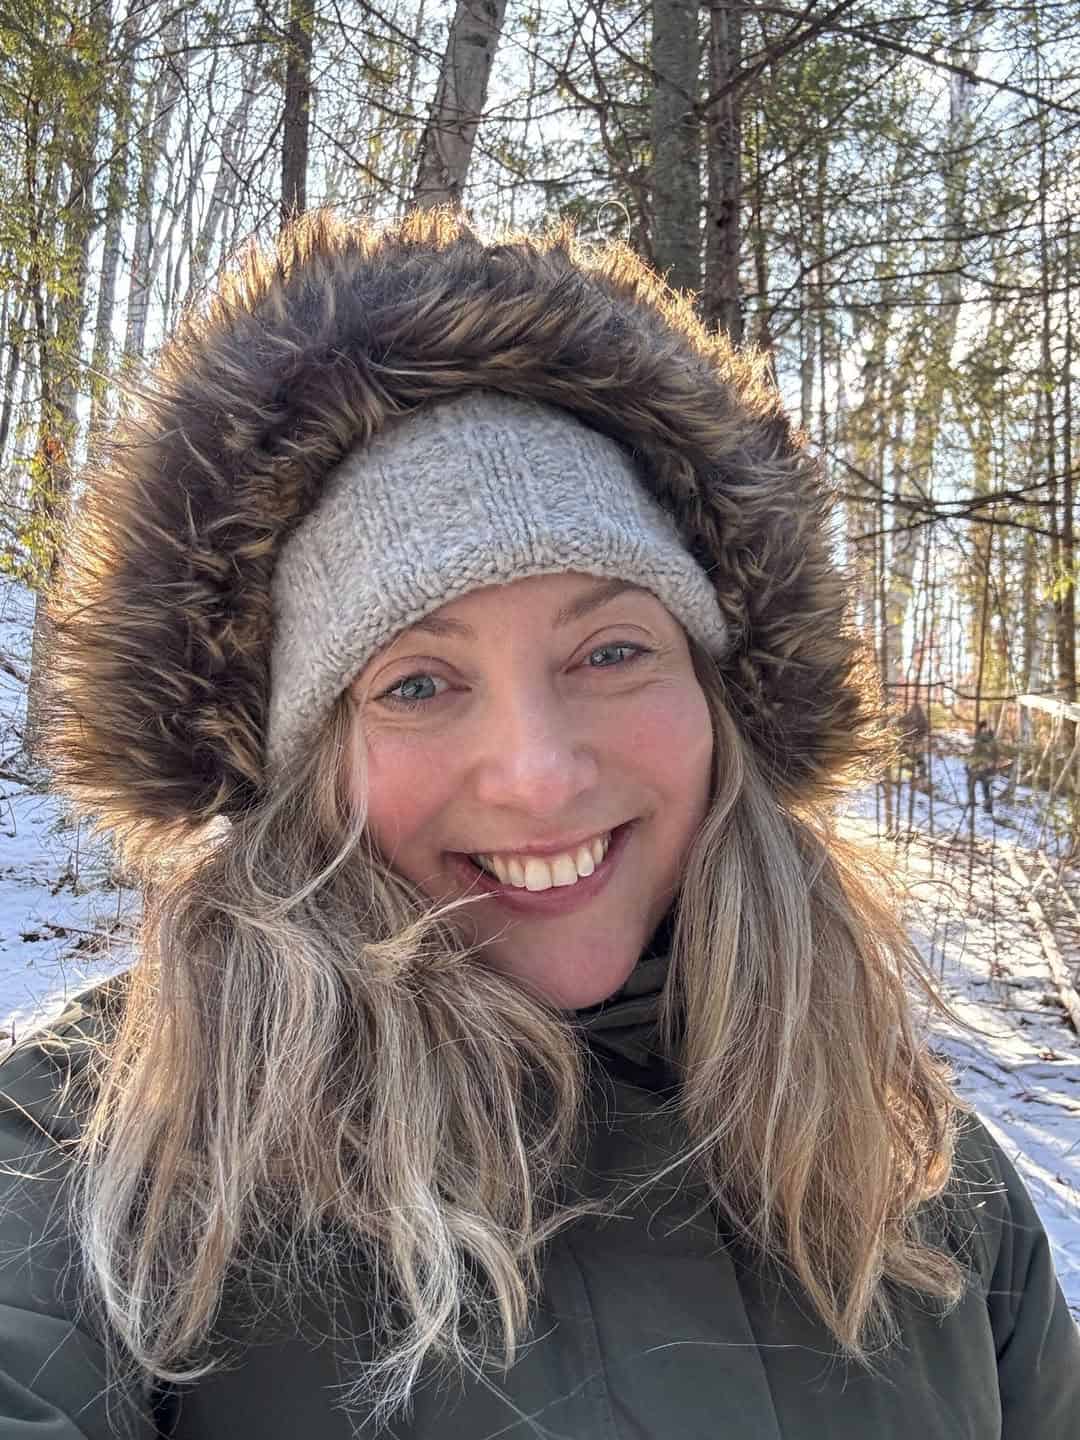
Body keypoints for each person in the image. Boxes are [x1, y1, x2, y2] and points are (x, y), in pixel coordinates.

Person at [1, 210, 1077, 1440]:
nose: (541, 778)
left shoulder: (923, 1175)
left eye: (611, 651)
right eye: (417, 683)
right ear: (301, 762)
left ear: (720, 700)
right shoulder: (101, 1152)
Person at [969, 717, 1001, 815]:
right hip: (987, 769)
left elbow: (977, 752)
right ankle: (987, 807)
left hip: (983, 769)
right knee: (985, 788)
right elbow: (996, 757)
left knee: (976, 785)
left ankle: (978, 804)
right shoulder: (993, 743)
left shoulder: (983, 740)